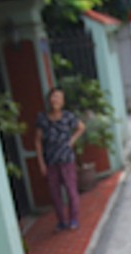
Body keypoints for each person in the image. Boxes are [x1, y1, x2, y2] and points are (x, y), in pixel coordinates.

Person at [34, 86, 85, 231]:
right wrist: (41, 163)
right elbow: (37, 141)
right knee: (55, 194)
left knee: (71, 191)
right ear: (49, 100)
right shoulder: (42, 119)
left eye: (58, 97)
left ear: (62, 101)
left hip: (66, 159)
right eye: (53, 97)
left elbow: (81, 127)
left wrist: (71, 141)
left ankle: (73, 219)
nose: (55, 100)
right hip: (50, 161)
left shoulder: (68, 116)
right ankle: (61, 221)